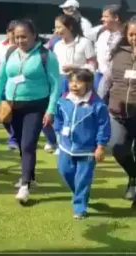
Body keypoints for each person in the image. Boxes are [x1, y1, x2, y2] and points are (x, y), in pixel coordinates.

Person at [0, 19, 60, 204]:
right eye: (17, 37)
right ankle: (29, 174)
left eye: (24, 37)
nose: (20, 40)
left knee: (29, 143)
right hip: (11, 107)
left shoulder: (46, 55)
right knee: (23, 144)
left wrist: (51, 109)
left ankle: (25, 185)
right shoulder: (11, 52)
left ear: (34, 36)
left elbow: (56, 84)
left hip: (36, 106)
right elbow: (0, 78)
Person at [55, 69, 110, 219]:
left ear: (88, 84)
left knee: (83, 179)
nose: (74, 85)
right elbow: (58, 117)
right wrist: (58, 130)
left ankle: (79, 207)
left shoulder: (97, 105)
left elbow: (103, 126)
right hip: (66, 147)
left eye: (78, 82)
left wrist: (100, 146)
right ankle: (80, 193)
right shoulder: (63, 99)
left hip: (87, 150)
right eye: (71, 81)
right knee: (64, 170)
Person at [45, 14, 97, 154]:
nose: (56, 31)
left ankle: (81, 143)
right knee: (59, 112)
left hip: (80, 83)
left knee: (76, 113)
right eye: (55, 27)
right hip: (61, 81)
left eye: (59, 27)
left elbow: (93, 65)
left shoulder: (85, 43)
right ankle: (61, 142)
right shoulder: (57, 45)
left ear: (70, 27)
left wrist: (76, 68)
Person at [98, 16, 136, 208]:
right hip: (118, 112)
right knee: (119, 150)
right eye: (131, 34)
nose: (134, 38)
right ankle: (134, 177)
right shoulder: (118, 54)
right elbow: (107, 80)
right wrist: (96, 102)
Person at [0, 20, 19, 151]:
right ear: (7, 32)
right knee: (3, 114)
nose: (14, 35)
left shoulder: (22, 46)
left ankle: (13, 139)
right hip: (1, 83)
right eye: (11, 32)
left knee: (14, 112)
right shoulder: (0, 45)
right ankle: (14, 135)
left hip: (16, 85)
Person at [94, 4, 126, 91]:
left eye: (106, 16)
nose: (102, 19)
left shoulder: (125, 36)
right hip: (100, 76)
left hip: (117, 80)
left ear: (116, 18)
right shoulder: (101, 34)